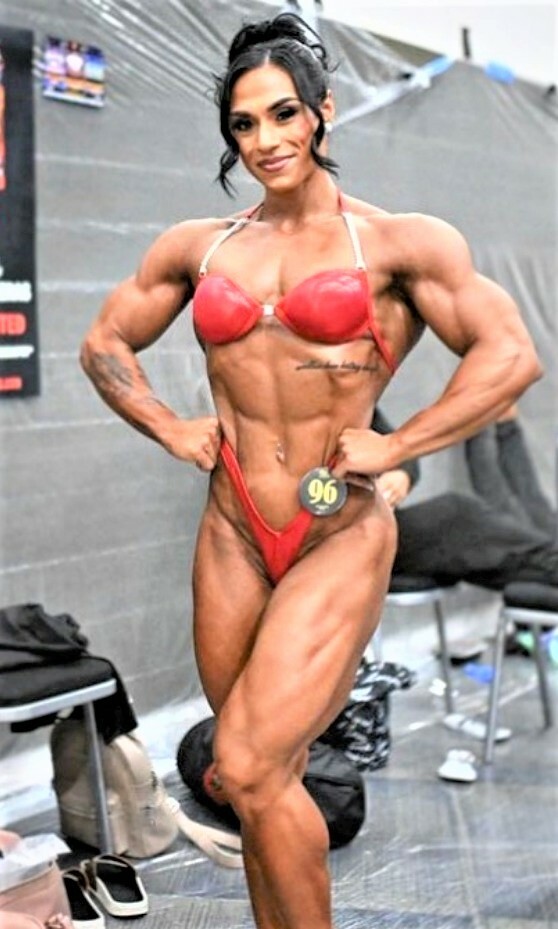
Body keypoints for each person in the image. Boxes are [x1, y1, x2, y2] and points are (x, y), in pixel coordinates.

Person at [80, 14, 542, 929]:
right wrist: (168, 426)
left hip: (337, 528)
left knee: (248, 763)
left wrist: (398, 446)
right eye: (244, 124)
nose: (266, 140)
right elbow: (104, 344)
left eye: (284, 113)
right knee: (256, 776)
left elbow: (510, 354)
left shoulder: (398, 244)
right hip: (233, 529)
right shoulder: (203, 246)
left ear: (323, 111)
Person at [374, 409, 558, 591]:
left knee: (529, 525)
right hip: (368, 541)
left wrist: (402, 472)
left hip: (384, 525)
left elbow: (399, 449)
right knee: (457, 517)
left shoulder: (362, 408)